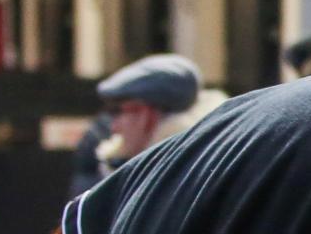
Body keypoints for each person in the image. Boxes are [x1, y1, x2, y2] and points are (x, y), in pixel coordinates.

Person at [67, 52, 226, 195]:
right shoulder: (120, 164)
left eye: (117, 111)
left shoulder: (179, 178)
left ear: (146, 116)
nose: (114, 126)